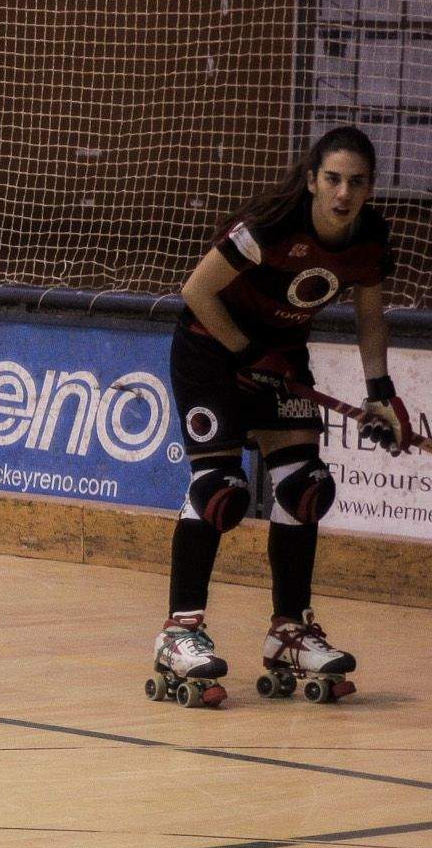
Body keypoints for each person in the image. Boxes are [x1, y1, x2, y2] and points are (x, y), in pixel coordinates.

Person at [156, 125, 413, 707]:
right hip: (210, 350)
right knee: (221, 489)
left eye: (357, 181)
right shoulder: (271, 227)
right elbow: (196, 290)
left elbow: (370, 317)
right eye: (333, 179)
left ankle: (289, 633)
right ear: (311, 179)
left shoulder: (369, 237)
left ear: (371, 188)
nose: (343, 193)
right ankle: (179, 633)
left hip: (281, 355)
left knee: (304, 487)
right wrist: (247, 355)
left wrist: (380, 391)